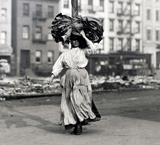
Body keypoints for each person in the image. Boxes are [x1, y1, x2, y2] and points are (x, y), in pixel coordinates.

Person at [48, 30, 101, 135]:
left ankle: (79, 124)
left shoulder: (83, 51)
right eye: (73, 40)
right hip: (69, 76)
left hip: (82, 76)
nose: (75, 42)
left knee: (81, 99)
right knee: (69, 100)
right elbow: (58, 65)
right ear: (71, 42)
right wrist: (52, 76)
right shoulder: (66, 54)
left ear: (79, 41)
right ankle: (75, 122)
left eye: (77, 40)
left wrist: (85, 36)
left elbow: (93, 49)